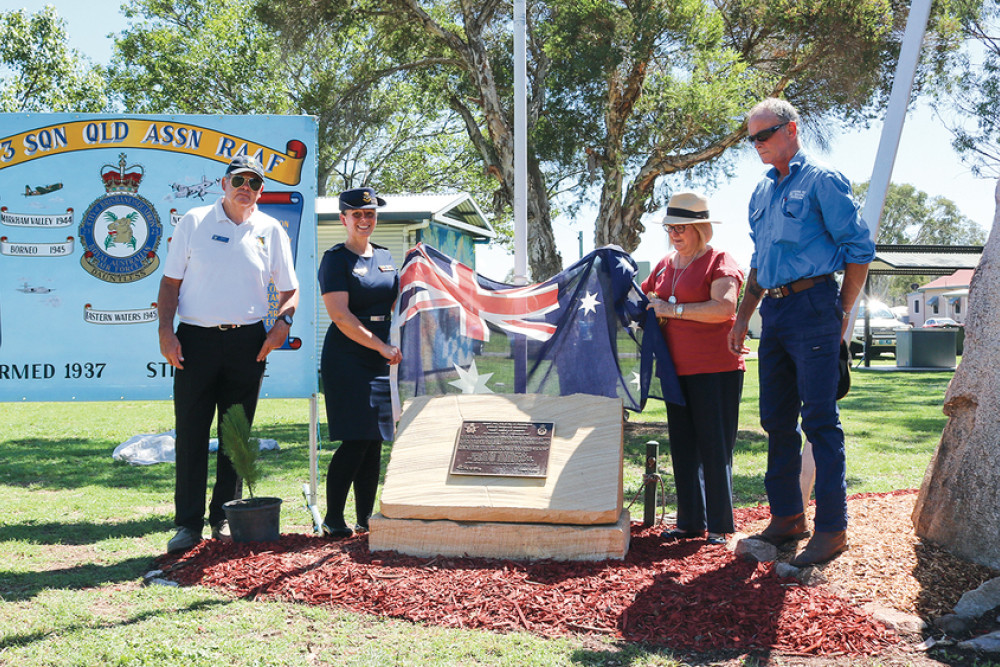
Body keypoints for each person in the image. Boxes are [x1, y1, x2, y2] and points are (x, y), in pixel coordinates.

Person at [728, 98, 875, 566]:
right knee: (775, 420)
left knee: (819, 421)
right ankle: (788, 517)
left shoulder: (822, 180)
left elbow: (859, 247)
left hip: (814, 307)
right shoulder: (761, 192)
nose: (756, 145)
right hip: (773, 313)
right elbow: (758, 262)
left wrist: (842, 312)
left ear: (791, 129)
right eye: (750, 138)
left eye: (764, 135)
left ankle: (833, 528)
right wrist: (741, 316)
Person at [158, 155, 300, 554]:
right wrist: (165, 332)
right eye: (239, 179)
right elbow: (170, 284)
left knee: (235, 435)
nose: (246, 188)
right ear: (223, 183)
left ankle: (223, 517)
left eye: (254, 183)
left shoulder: (271, 229)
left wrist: (281, 326)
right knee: (191, 434)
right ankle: (187, 525)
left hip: (247, 343)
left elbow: (290, 290)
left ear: (260, 191)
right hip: (194, 343)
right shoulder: (194, 221)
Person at [642, 192, 745, 546]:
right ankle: (690, 522)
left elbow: (723, 309)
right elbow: (641, 304)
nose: (674, 233)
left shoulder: (720, 260)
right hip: (675, 371)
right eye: (670, 227)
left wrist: (672, 311)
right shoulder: (663, 264)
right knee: (683, 447)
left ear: (701, 228)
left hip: (716, 368)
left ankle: (719, 525)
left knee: (714, 446)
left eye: (681, 227)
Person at [318, 187, 402, 538]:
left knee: (374, 440)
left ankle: (366, 520)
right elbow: (340, 316)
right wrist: (380, 346)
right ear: (344, 219)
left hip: (380, 356)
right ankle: (333, 520)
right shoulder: (335, 259)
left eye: (370, 214)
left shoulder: (385, 256)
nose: (365, 220)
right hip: (348, 356)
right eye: (357, 214)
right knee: (355, 439)